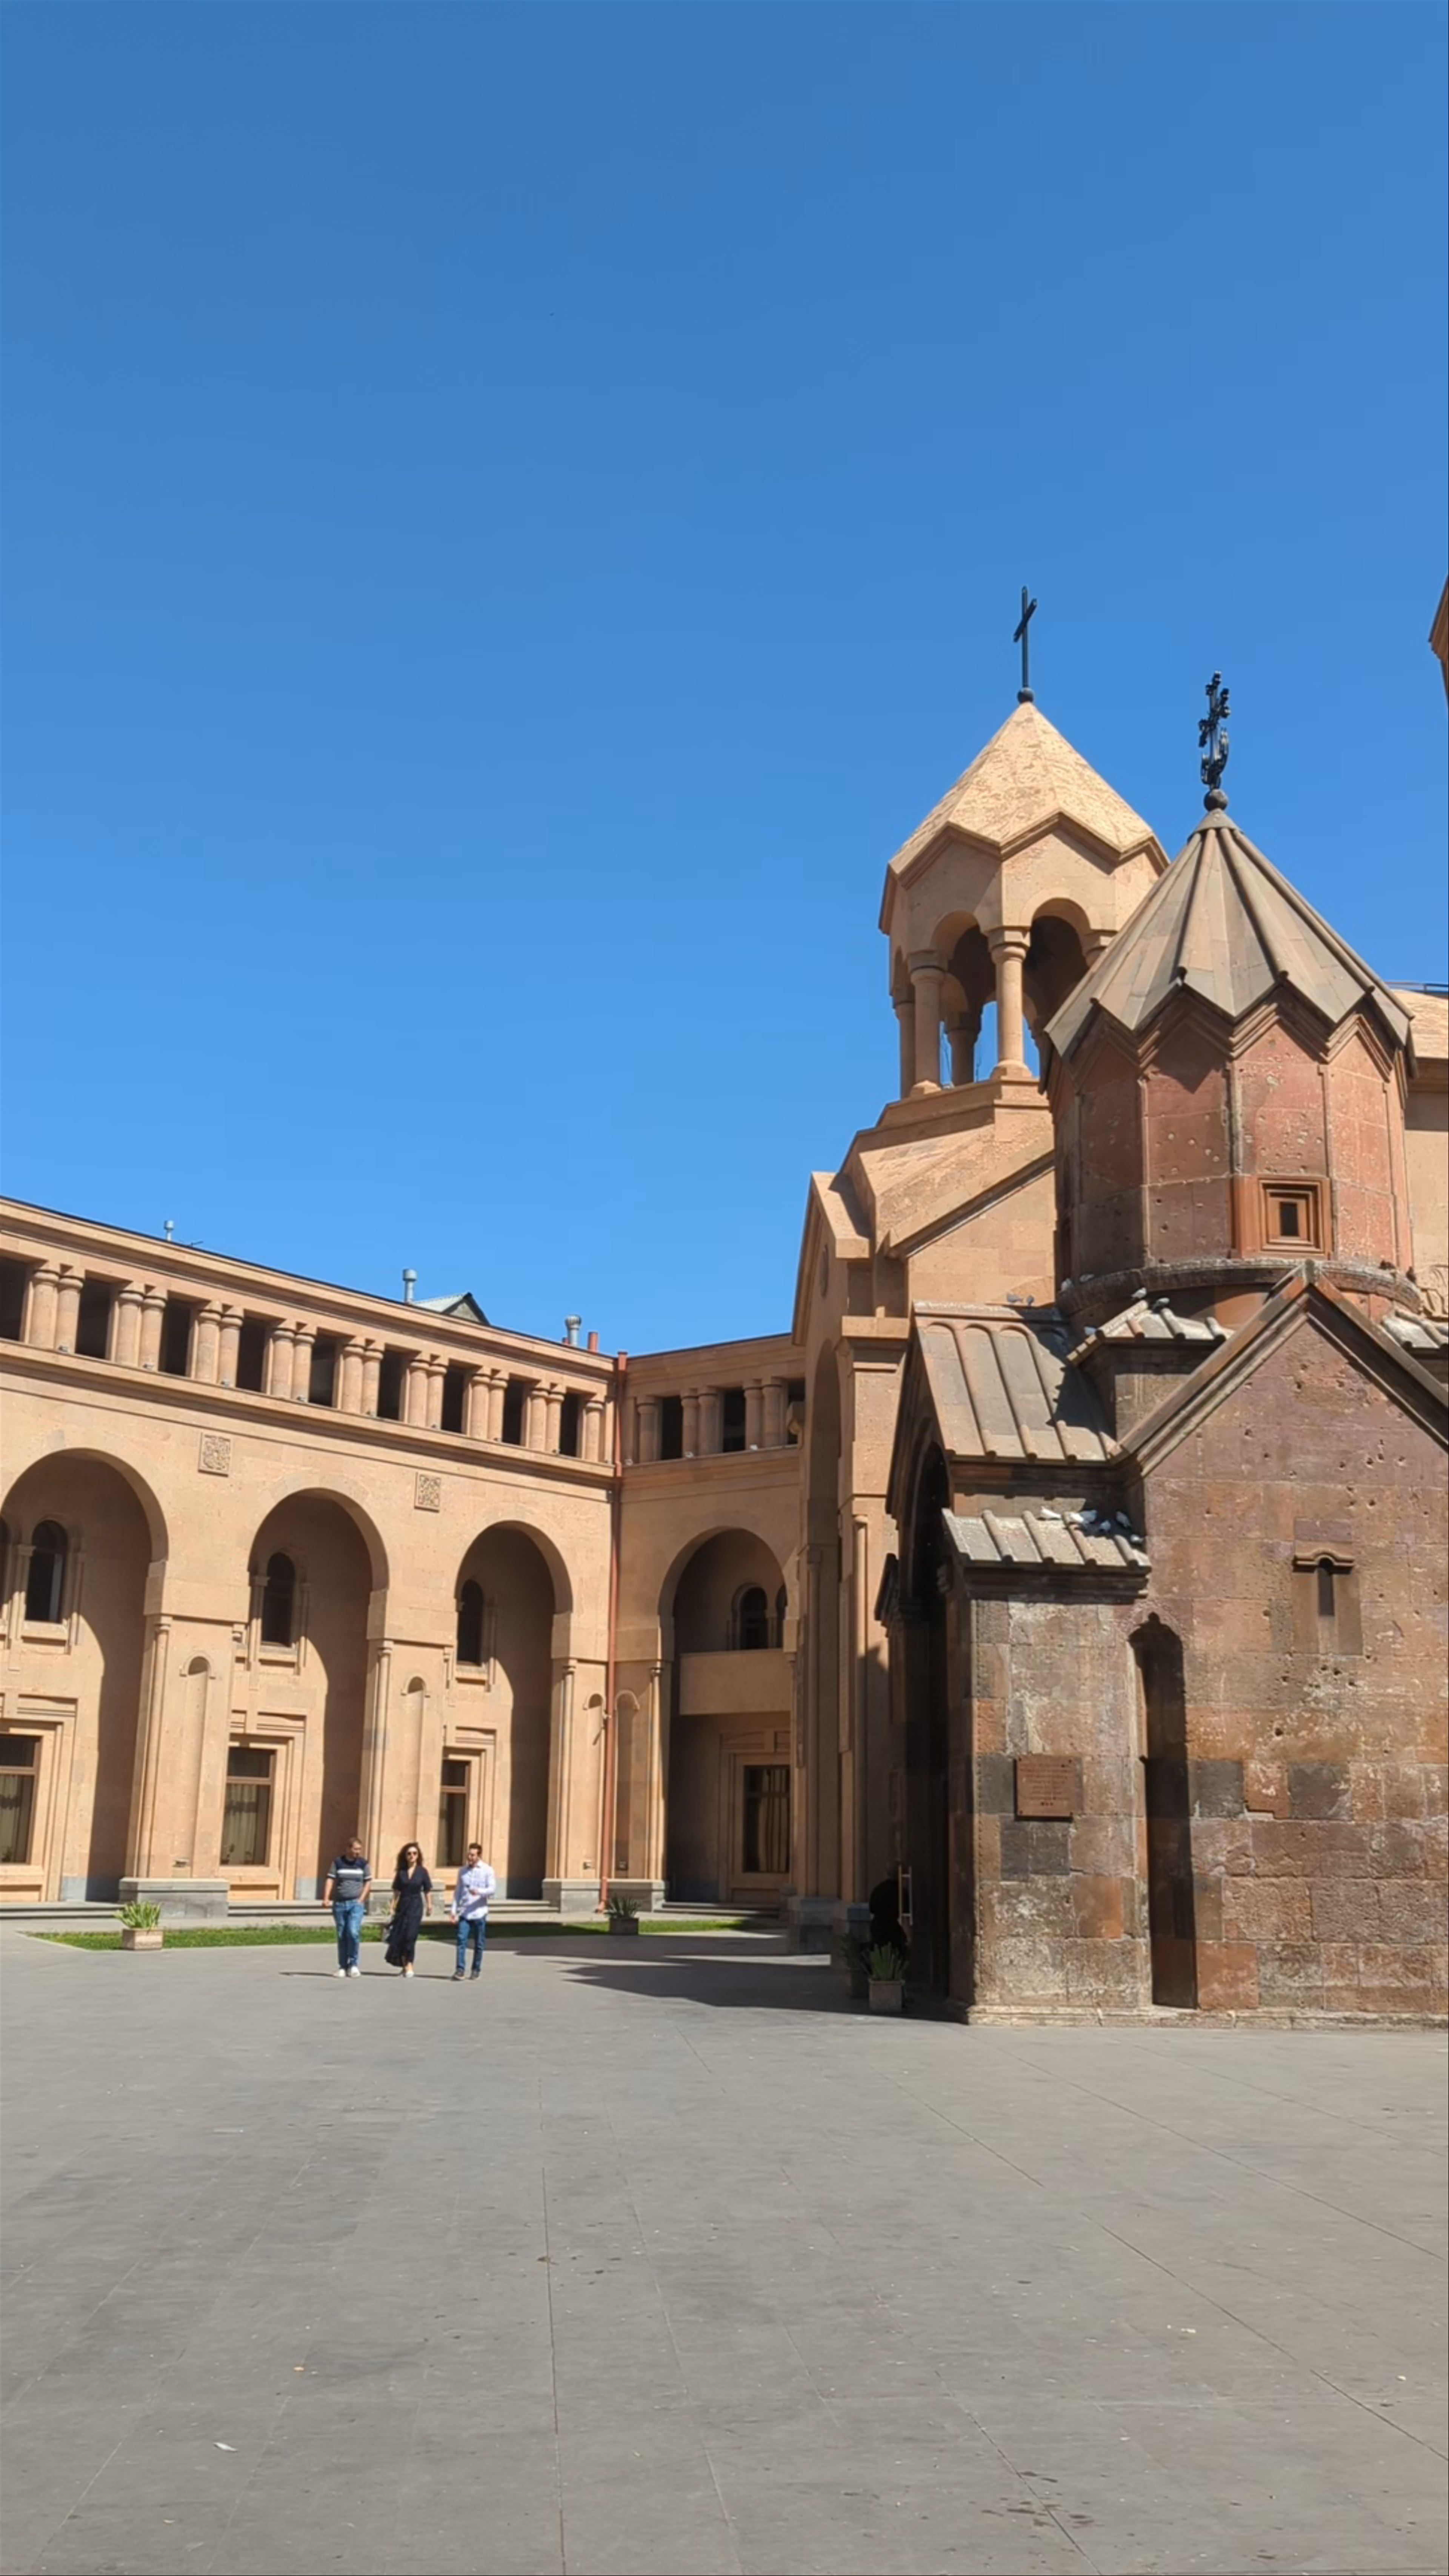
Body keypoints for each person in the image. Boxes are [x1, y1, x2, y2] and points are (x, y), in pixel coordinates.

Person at [323, 1837, 372, 1977]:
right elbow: (330, 1879)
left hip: (356, 1904)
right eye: (356, 1849)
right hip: (339, 1904)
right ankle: (343, 1967)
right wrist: (326, 1898)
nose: (358, 1852)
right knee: (342, 1934)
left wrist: (361, 1899)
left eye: (360, 1850)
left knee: (353, 1932)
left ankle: (354, 1964)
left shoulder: (363, 1864)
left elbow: (368, 1882)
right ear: (349, 1849)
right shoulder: (338, 1863)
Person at [449, 1842, 497, 1981]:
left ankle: (476, 1969)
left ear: (479, 1856)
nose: (470, 1857)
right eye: (469, 1854)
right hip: (465, 1913)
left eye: (473, 1855)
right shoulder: (463, 1871)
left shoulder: (487, 1870)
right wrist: (454, 1911)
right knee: (461, 1940)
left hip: (480, 1913)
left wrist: (480, 1892)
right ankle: (460, 1970)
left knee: (479, 1943)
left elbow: (492, 1889)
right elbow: (458, 1892)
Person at [385, 1842, 432, 1977]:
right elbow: (396, 1892)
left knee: (411, 1936)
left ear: (418, 1856)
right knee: (402, 1936)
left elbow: (427, 1890)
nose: (412, 1856)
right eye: (409, 1854)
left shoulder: (423, 1872)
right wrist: (392, 1908)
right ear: (405, 1856)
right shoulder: (401, 1872)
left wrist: (430, 1906)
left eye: (415, 1854)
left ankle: (410, 1964)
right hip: (403, 1906)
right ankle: (405, 1965)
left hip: (416, 1905)